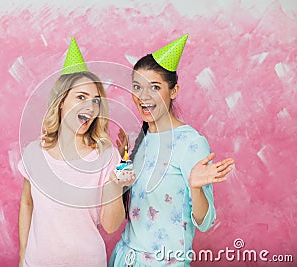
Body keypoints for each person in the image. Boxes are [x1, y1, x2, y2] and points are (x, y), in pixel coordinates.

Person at [110, 34, 235, 266]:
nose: (144, 96)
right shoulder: (141, 139)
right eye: (138, 87)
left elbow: (206, 222)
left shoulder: (191, 143)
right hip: (123, 259)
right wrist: (123, 161)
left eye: (154, 87)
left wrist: (196, 188)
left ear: (174, 91)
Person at [18, 37, 135, 267]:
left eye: (95, 101)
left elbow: (111, 226)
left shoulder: (106, 156)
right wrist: (22, 255)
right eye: (80, 97)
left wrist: (115, 185)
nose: (89, 107)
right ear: (62, 102)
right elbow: (26, 203)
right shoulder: (34, 153)